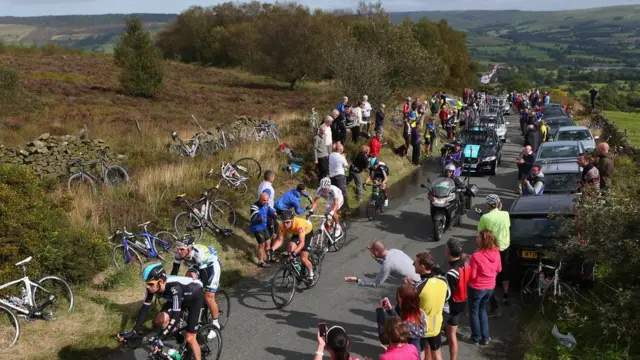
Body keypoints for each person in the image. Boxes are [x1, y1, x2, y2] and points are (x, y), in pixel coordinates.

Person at [117, 263, 205, 360]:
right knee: (160, 320)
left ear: (161, 281)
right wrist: (134, 331)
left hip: (195, 297)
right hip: (177, 299)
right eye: (146, 283)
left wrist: (161, 338)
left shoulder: (175, 288)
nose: (147, 287)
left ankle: (194, 343)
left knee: (190, 338)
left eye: (150, 284)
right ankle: (179, 338)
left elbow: (175, 318)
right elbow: (144, 310)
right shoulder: (152, 288)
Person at [171, 241, 223, 332]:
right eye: (178, 249)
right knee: (189, 278)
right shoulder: (178, 254)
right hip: (198, 265)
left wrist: (202, 291)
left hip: (212, 266)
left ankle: (215, 323)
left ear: (189, 248)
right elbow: (174, 272)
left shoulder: (198, 254)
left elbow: (204, 277)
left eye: (182, 249)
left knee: (208, 296)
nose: (179, 252)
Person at [476, 194, 511, 316]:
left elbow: (481, 232)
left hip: (492, 249)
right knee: (504, 271)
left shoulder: (485, 218)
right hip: (505, 246)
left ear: (487, 205)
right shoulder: (505, 214)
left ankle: (493, 304)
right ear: (498, 203)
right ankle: (506, 296)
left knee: (490, 275)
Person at [411, 252, 448, 360]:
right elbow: (447, 298)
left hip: (421, 328)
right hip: (436, 325)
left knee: (420, 353)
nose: (413, 264)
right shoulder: (443, 281)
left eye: (416, 263)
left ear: (422, 267)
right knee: (437, 353)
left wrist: (409, 288)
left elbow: (410, 306)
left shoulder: (418, 287)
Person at [467, 230, 501, 345]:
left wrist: (466, 268)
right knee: (483, 310)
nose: (476, 239)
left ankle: (475, 337)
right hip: (490, 287)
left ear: (483, 240)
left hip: (477, 287)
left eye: (478, 237)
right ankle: (485, 338)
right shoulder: (496, 253)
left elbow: (473, 276)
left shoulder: (476, 256)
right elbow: (499, 269)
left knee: (474, 312)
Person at [344, 241, 419, 287]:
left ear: (376, 253)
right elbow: (388, 263)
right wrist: (375, 258)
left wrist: (357, 280)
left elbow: (376, 283)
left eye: (372, 252)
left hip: (416, 285)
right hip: (421, 278)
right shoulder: (395, 251)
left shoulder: (387, 264)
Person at [376, 285, 426, 354]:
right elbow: (402, 320)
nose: (398, 302)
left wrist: (380, 312)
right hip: (415, 352)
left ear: (405, 303)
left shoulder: (404, 324)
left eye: (399, 300)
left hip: (402, 354)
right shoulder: (421, 313)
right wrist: (390, 310)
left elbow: (384, 338)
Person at [444, 239, 470, 360]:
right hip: (462, 300)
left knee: (452, 335)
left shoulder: (451, 273)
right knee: (451, 330)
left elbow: (447, 294)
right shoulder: (465, 265)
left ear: (448, 251)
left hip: (452, 305)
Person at [271, 210, 314, 279]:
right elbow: (279, 240)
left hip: (307, 233)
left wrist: (295, 252)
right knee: (290, 246)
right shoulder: (282, 226)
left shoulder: (299, 225)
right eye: (284, 222)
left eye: (287, 222)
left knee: (303, 258)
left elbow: (302, 243)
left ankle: (311, 273)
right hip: (296, 233)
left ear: (292, 220)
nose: (285, 225)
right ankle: (296, 265)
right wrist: (272, 249)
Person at [251, 192, 277, 267]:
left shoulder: (266, 205)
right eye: (264, 200)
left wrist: (274, 215)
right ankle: (261, 261)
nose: (266, 202)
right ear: (260, 199)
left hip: (264, 226)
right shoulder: (254, 207)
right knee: (261, 244)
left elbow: (270, 213)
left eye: (267, 200)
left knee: (268, 241)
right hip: (257, 228)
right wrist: (259, 220)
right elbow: (253, 220)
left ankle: (269, 257)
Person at [257, 170, 276, 237]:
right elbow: (264, 199)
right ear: (272, 177)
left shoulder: (262, 183)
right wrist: (271, 211)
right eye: (274, 176)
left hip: (262, 208)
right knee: (270, 229)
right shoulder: (268, 188)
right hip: (267, 210)